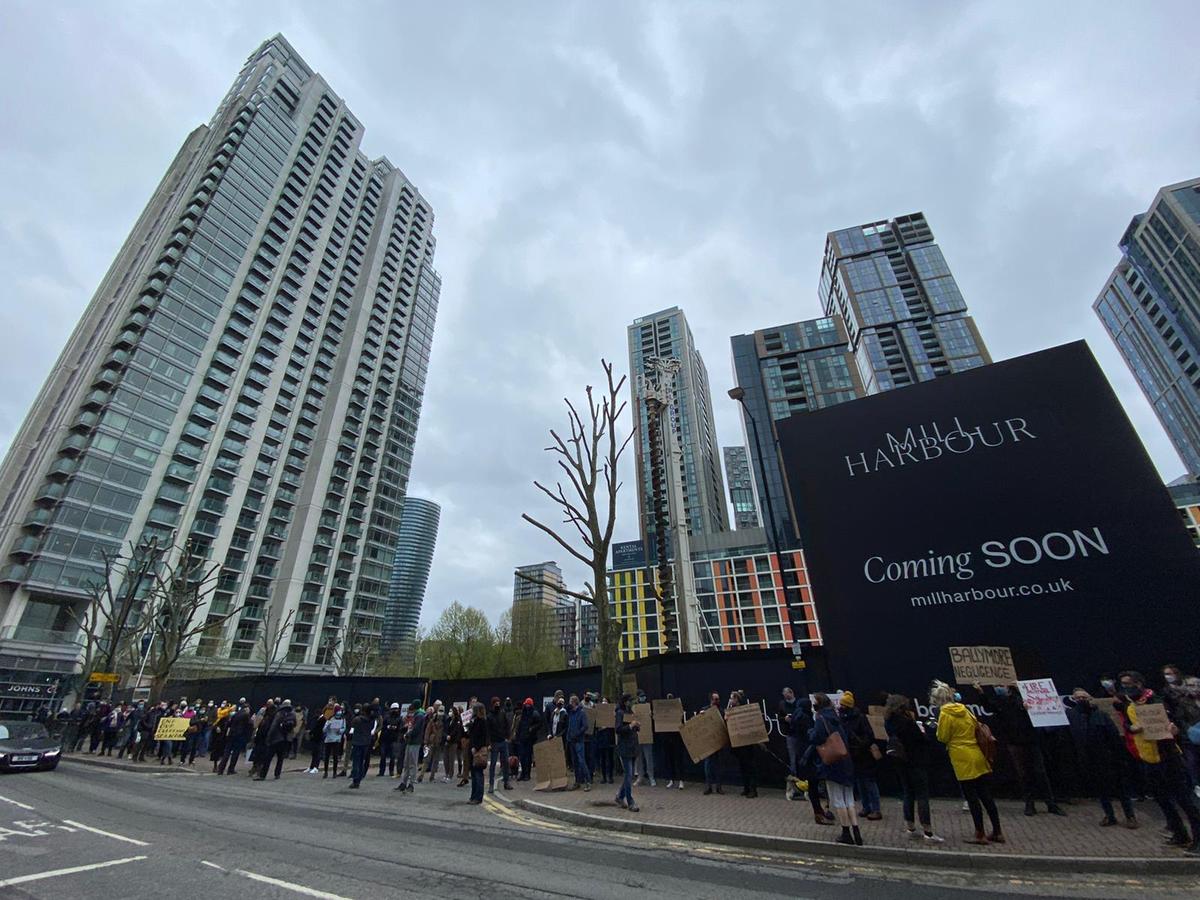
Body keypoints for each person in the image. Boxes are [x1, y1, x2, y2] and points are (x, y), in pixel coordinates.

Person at [1115, 670, 1200, 854]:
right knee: (1162, 799)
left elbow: (1176, 719)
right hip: (1148, 757)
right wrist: (1131, 728)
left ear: (1139, 684)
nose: (1126, 688)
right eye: (1123, 684)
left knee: (1184, 800)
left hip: (1168, 756)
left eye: (1129, 684)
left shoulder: (1157, 700)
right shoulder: (1129, 705)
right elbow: (1127, 725)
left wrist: (1174, 728)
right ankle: (1180, 834)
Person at [976, 682, 1065, 817]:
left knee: (1040, 772)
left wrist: (1024, 702)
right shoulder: (1001, 702)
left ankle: (1050, 803)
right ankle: (1030, 804)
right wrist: (980, 693)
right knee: (1023, 774)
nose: (998, 688)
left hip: (1032, 740)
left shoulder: (1023, 698)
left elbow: (1039, 706)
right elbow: (989, 706)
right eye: (996, 686)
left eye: (1001, 685)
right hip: (1014, 742)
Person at [932, 680, 1004, 845]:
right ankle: (997, 831)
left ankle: (980, 833)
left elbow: (942, 737)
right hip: (977, 753)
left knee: (972, 798)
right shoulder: (965, 709)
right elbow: (975, 727)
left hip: (961, 757)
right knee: (986, 795)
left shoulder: (945, 714)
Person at [1065, 688, 1137, 828]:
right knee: (1101, 790)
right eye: (1078, 698)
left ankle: (1130, 816)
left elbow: (1114, 736)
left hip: (1109, 757)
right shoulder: (1072, 716)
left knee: (1120, 789)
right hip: (1090, 758)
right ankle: (1109, 816)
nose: (1081, 700)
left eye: (1084, 697)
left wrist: (1118, 756)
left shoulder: (1101, 715)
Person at [884, 693, 942, 842]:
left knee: (907, 793)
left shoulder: (888, 721)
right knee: (922, 795)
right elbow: (920, 739)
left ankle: (910, 826)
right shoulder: (907, 722)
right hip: (915, 761)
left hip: (900, 762)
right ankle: (928, 831)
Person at [808, 692, 861, 846]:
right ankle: (856, 830)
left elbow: (816, 738)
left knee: (838, 799)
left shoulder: (821, 719)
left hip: (833, 763)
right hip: (846, 761)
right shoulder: (836, 716)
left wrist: (810, 732)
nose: (813, 705)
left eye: (815, 702)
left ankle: (846, 833)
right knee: (849, 799)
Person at [838, 692, 880, 819]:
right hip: (852, 754)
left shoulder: (860, 718)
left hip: (863, 754)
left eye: (842, 704)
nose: (840, 706)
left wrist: (861, 745)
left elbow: (869, 735)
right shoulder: (841, 718)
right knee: (860, 782)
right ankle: (866, 807)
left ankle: (876, 809)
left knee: (868, 781)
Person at [727, 691, 760, 798]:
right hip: (738, 745)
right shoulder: (730, 711)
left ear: (737, 699)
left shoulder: (744, 710)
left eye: (732, 698)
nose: (731, 700)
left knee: (750, 767)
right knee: (743, 768)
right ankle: (746, 788)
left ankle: (753, 790)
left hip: (748, 745)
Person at [259, 699, 296, 781]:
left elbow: (274, 726)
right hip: (285, 739)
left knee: (268, 757)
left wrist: (268, 737)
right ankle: (277, 774)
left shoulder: (279, 713)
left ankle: (263, 775)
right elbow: (294, 724)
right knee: (280, 758)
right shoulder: (292, 714)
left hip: (276, 738)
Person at [615, 693, 640, 812]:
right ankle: (630, 801)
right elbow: (618, 729)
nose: (632, 703)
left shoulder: (631, 712)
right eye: (630, 701)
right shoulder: (620, 713)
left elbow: (635, 729)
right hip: (625, 748)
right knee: (629, 775)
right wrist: (630, 726)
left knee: (628, 776)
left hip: (633, 747)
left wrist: (636, 726)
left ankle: (620, 796)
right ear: (625, 702)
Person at [395, 699, 426, 793]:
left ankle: (411, 784)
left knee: (412, 763)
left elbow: (415, 729)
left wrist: (408, 734)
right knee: (407, 763)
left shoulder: (419, 716)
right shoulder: (417, 715)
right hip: (410, 741)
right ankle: (404, 783)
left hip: (415, 742)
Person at [485, 696, 512, 793]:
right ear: (492, 704)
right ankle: (491, 784)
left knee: (506, 762)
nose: (497, 704)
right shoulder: (489, 716)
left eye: (498, 703)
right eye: (495, 703)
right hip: (494, 742)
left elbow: (507, 725)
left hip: (502, 741)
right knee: (492, 764)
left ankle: (506, 782)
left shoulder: (502, 713)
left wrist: (507, 737)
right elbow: (487, 731)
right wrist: (488, 743)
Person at [700, 692, 724, 795]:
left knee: (718, 765)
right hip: (708, 742)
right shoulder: (704, 709)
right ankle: (708, 787)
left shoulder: (721, 711)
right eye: (715, 699)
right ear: (711, 700)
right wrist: (700, 715)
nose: (717, 701)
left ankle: (719, 787)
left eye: (718, 699)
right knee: (708, 765)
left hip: (718, 741)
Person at [567, 694, 592, 791]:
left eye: (570, 702)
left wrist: (577, 734)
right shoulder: (571, 713)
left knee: (581, 761)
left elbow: (585, 726)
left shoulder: (581, 713)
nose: (569, 704)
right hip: (572, 740)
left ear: (574, 702)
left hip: (578, 740)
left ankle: (588, 781)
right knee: (575, 762)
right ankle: (577, 781)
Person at [219, 702, 252, 775]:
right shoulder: (246, 715)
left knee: (227, 752)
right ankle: (230, 769)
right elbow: (249, 725)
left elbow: (229, 724)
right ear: (247, 708)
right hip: (239, 736)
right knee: (235, 753)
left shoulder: (235, 714)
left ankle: (221, 768)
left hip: (231, 734)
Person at [514, 698, 542, 782]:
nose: (526, 706)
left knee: (528, 757)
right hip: (522, 737)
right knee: (522, 757)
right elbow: (520, 725)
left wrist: (532, 728)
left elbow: (539, 723)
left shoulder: (535, 714)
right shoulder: (523, 714)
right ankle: (523, 773)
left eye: (528, 704)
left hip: (530, 738)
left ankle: (527, 774)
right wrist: (518, 735)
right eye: (526, 704)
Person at [347, 705, 373, 788]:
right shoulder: (371, 720)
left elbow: (352, 725)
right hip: (366, 742)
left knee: (356, 761)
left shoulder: (357, 719)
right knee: (362, 761)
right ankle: (359, 779)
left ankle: (355, 778)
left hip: (357, 742)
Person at [467, 702, 488, 804]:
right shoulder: (474, 721)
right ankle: (473, 796)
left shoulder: (482, 722)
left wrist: (476, 747)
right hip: (473, 749)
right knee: (474, 774)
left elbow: (483, 738)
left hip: (478, 751)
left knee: (478, 774)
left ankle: (478, 797)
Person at [421, 701, 446, 782]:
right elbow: (427, 731)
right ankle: (421, 775)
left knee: (435, 760)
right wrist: (426, 742)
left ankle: (432, 776)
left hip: (439, 742)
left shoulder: (445, 721)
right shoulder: (432, 720)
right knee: (427, 760)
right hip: (431, 742)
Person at [378, 703, 403, 777]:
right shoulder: (386, 717)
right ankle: (381, 771)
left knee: (392, 757)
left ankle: (391, 771)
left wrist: (395, 729)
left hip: (394, 739)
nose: (395, 710)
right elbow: (383, 727)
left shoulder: (399, 718)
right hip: (385, 739)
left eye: (396, 709)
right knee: (383, 756)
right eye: (394, 709)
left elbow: (400, 729)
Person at [594, 697, 615, 785]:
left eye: (605, 701)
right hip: (601, 738)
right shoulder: (598, 713)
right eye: (603, 701)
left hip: (609, 737)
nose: (604, 703)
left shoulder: (611, 713)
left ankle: (610, 776)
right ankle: (604, 776)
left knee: (610, 758)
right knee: (602, 758)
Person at [323, 706, 347, 778]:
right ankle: (326, 771)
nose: (339, 712)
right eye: (338, 711)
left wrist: (340, 731)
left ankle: (334, 772)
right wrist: (328, 725)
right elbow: (324, 729)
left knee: (335, 756)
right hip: (329, 739)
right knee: (327, 756)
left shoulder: (342, 719)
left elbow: (344, 728)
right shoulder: (331, 719)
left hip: (337, 739)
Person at [443, 705, 463, 780]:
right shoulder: (447, 720)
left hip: (453, 741)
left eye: (451, 711)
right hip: (446, 740)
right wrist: (446, 736)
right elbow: (444, 729)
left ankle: (450, 774)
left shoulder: (458, 721)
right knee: (445, 758)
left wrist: (450, 736)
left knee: (451, 759)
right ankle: (446, 773)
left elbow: (456, 730)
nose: (450, 713)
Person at [208, 708, 229, 774]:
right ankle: (215, 766)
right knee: (216, 752)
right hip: (217, 737)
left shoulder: (227, 717)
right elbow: (212, 723)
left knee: (222, 752)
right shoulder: (217, 717)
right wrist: (216, 727)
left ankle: (220, 766)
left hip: (224, 736)